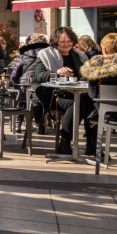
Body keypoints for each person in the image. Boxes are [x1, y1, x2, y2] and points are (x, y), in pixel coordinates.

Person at [32, 26, 92, 156]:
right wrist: (56, 72)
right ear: (55, 42)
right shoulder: (45, 54)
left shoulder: (80, 56)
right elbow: (39, 75)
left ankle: (92, 145)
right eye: (62, 42)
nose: (66, 44)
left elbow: (87, 74)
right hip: (54, 95)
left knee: (93, 103)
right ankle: (65, 142)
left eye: (69, 41)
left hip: (77, 92)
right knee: (78, 104)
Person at [82, 32, 117, 159]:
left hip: (106, 114)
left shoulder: (96, 67)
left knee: (90, 104)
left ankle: (93, 148)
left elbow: (93, 94)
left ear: (104, 49)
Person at [10, 33, 49, 132]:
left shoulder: (25, 54)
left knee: (22, 100)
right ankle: (40, 126)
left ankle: (18, 125)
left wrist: (15, 82)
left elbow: (14, 75)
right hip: (43, 90)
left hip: (25, 89)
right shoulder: (49, 55)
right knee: (38, 100)